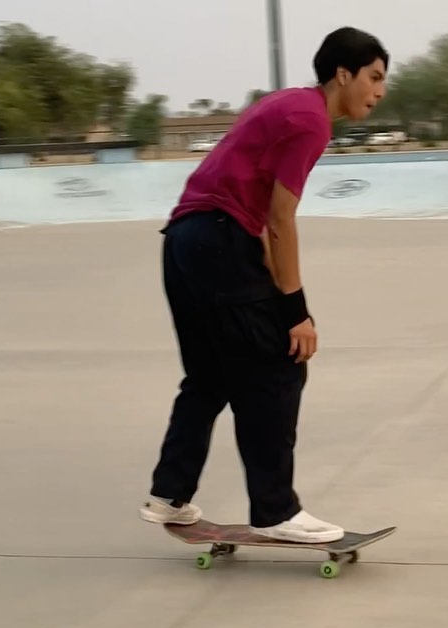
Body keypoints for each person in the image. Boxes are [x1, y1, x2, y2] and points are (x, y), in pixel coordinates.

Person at [139, 27, 389, 543]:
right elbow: (280, 219)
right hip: (220, 240)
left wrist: (285, 301)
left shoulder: (286, 103)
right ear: (343, 74)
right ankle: (276, 511)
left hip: (184, 240)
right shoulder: (311, 120)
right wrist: (296, 313)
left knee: (209, 376)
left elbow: (264, 224)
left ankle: (169, 495)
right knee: (279, 366)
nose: (380, 91)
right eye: (374, 77)